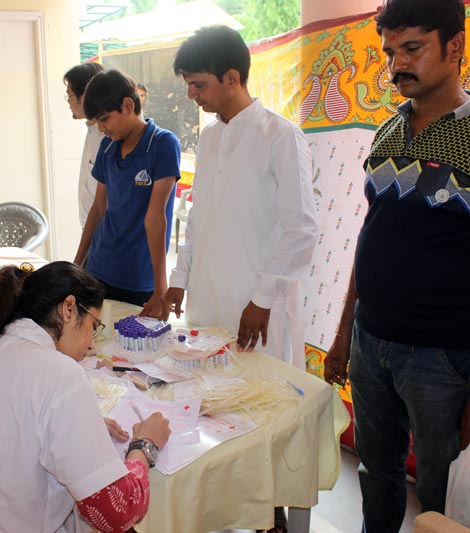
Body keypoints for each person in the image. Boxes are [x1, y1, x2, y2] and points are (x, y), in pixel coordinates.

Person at [323, 1, 470, 531]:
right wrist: (345, 333)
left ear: (455, 46)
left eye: (412, 48)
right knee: (377, 472)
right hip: (371, 342)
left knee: (441, 495)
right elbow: (370, 239)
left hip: (441, 357)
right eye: (390, 51)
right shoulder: (388, 132)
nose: (397, 64)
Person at [0, 262, 171, 533]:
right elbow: (117, 512)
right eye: (93, 325)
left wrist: (74, 428)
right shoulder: (58, 373)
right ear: (68, 308)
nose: (92, 343)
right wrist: (144, 445)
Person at [164, 25, 318, 367]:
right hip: (206, 299)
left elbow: (301, 230)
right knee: (208, 387)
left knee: (262, 391)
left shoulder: (281, 136)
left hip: (256, 306)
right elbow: (199, 217)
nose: (191, 94)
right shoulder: (209, 137)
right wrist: (180, 279)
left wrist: (262, 299)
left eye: (199, 84)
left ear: (232, 78)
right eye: (188, 84)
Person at [73, 69, 180, 317]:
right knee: (95, 338)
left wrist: (160, 287)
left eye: (105, 119)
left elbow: (156, 217)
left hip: (139, 278)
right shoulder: (107, 146)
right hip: (98, 269)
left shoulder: (163, 144)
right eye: (97, 122)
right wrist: (76, 266)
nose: (102, 128)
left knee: (139, 340)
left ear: (128, 105)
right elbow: (98, 209)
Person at [64, 62, 105, 228]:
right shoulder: (92, 130)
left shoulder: (108, 137)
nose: (68, 102)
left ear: (87, 95)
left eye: (70, 95)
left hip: (104, 231)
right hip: (91, 229)